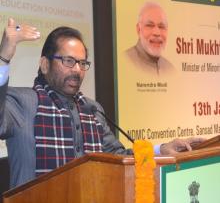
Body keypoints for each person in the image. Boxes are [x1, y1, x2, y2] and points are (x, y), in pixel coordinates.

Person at [0, 18, 204, 188]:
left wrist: (161, 150)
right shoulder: (21, 102)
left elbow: (118, 158)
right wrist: (3, 58)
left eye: (82, 63)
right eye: (69, 61)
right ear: (45, 64)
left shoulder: (92, 109)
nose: (77, 70)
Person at [125, 1, 175, 76]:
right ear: (138, 29)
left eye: (161, 27)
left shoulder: (170, 69)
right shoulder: (125, 61)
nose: (157, 33)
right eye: (150, 25)